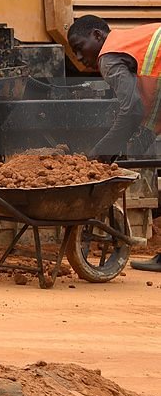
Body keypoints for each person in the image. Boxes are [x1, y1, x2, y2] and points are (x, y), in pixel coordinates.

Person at [67, 14, 160, 273]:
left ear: (97, 35)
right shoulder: (131, 42)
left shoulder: (108, 56)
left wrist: (100, 153)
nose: (79, 57)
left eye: (79, 47)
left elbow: (131, 110)